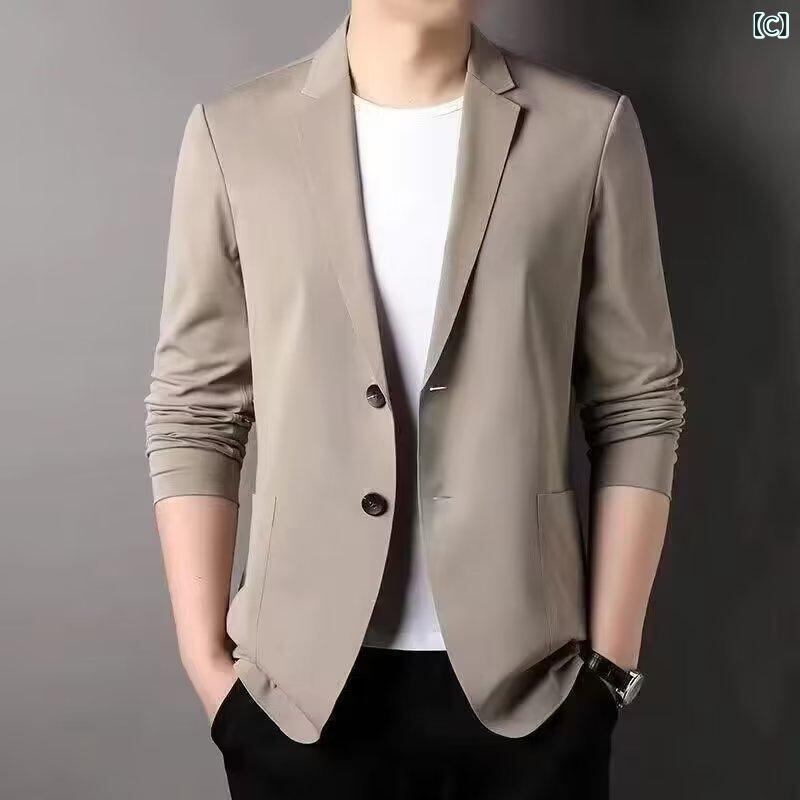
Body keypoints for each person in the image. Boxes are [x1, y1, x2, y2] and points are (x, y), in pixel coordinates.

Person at [144, 1, 686, 797]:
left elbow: (638, 402)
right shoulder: (235, 137)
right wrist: (209, 670)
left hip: (534, 697)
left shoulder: (586, 132)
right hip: (298, 702)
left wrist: (608, 671)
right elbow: (195, 410)